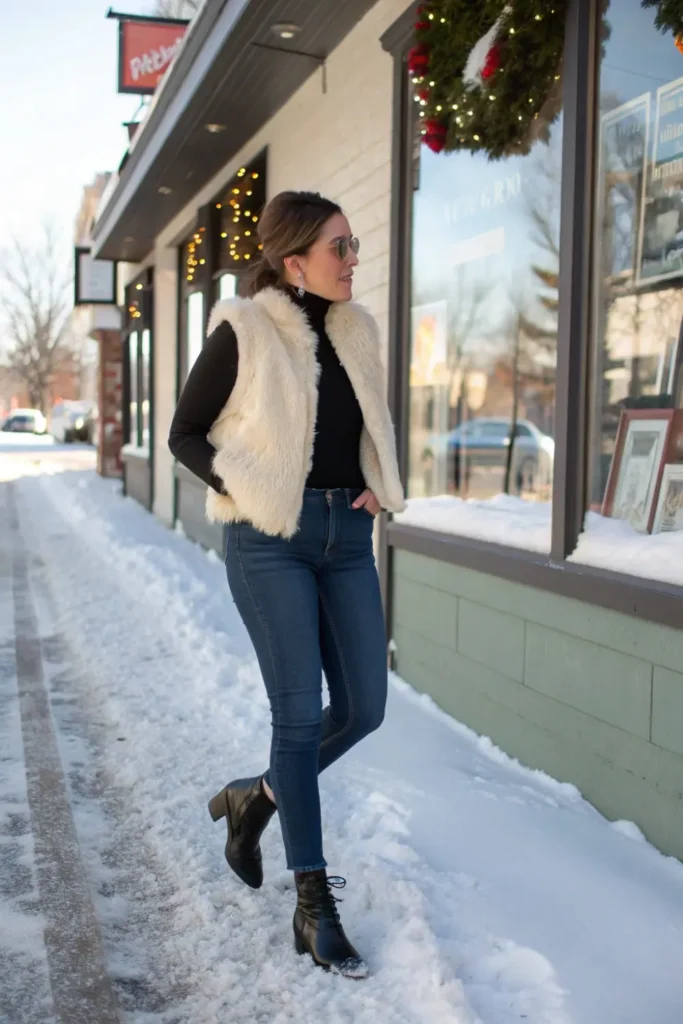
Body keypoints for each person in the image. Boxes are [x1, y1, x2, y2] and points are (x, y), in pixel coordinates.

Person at [168, 190, 405, 980]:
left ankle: (256, 798)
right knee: (298, 718)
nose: (353, 258)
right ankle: (314, 907)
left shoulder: (356, 330)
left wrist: (374, 483)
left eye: (354, 243)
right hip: (269, 541)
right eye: (340, 246)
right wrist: (244, 486)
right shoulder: (245, 330)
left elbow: (366, 426)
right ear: (294, 260)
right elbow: (184, 433)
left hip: (346, 539)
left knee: (364, 707)